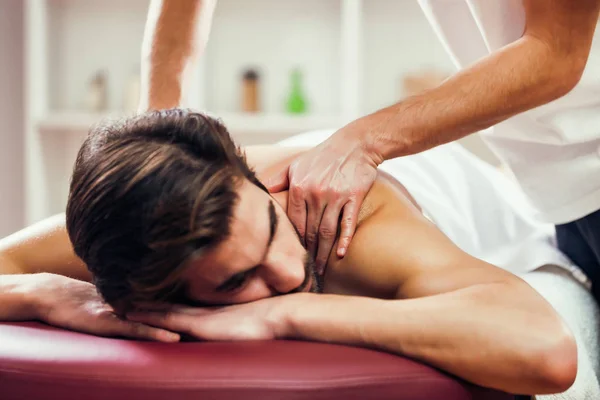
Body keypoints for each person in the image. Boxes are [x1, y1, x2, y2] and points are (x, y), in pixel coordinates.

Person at [0, 108, 586, 397]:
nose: (287, 270)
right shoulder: (140, 226)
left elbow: (548, 354)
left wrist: (286, 312)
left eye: (270, 228)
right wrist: (47, 293)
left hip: (533, 253)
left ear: (254, 178)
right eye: (236, 280)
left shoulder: (347, 224)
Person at [139, 0, 600, 297]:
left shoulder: (377, 238)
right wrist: (156, 141)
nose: (286, 274)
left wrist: (362, 141)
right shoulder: (161, 216)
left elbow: (555, 52)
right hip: (555, 183)